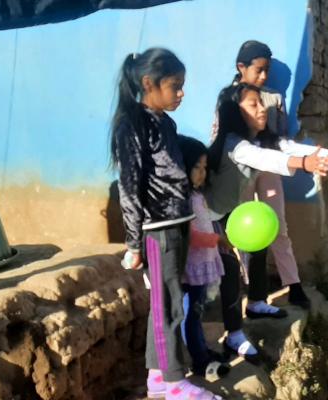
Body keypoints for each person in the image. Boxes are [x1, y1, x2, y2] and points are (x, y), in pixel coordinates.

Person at [110, 48, 221, 399]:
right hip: (157, 229)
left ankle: (158, 377)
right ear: (148, 83)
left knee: (167, 298)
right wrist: (133, 242)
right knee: (167, 303)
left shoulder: (165, 123)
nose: (182, 93)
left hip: (178, 222)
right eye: (175, 86)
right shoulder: (133, 125)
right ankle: (175, 382)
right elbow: (130, 186)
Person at [206, 83, 328, 360]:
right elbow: (263, 158)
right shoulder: (235, 144)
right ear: (235, 112)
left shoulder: (260, 139)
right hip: (211, 217)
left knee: (259, 244)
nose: (262, 108)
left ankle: (255, 303)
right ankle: (232, 335)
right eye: (253, 104)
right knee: (227, 273)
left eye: (261, 102)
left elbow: (291, 147)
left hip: (230, 213)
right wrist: (304, 165)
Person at [212, 40, 328, 309]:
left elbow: (278, 142)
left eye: (267, 70)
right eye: (259, 70)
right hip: (239, 173)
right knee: (244, 230)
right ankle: (250, 290)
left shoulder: (272, 97)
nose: (264, 76)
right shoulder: (229, 100)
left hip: (271, 165)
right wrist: (304, 162)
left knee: (277, 224)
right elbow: (242, 148)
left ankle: (290, 284)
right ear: (241, 67)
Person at [175, 134, 231, 380]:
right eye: (196, 167)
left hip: (203, 263)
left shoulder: (197, 196)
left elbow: (207, 224)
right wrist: (217, 241)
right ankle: (200, 361)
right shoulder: (183, 200)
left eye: (204, 168)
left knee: (196, 312)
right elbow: (192, 235)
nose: (202, 173)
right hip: (192, 267)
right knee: (191, 314)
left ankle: (202, 351)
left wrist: (219, 240)